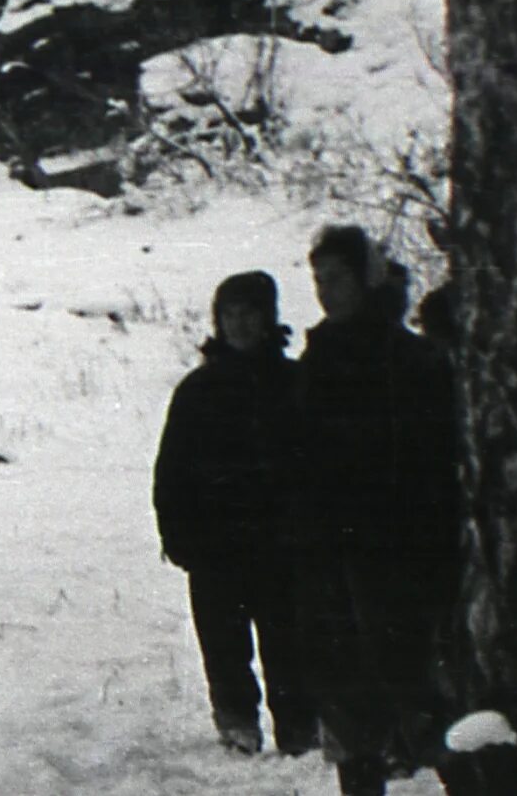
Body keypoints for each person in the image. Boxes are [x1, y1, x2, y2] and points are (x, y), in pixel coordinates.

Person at [292, 226, 457, 796]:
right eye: (317, 280)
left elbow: (436, 466)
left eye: (336, 278)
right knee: (351, 716)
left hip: (402, 562)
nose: (325, 291)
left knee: (430, 712)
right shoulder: (315, 361)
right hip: (335, 568)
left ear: (366, 280)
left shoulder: (410, 359)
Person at [153, 270, 313, 757]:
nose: (240, 324)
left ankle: (301, 729)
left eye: (250, 313)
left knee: (289, 647)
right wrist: (179, 538)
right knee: (224, 650)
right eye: (230, 315)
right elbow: (172, 473)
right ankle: (237, 724)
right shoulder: (197, 391)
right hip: (215, 549)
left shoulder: (296, 384)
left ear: (269, 319)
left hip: (282, 547)